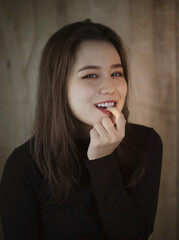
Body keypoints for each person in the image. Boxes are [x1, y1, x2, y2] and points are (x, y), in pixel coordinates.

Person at [0, 19, 163, 240]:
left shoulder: (146, 142)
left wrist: (102, 161)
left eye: (116, 73)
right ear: (59, 87)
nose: (110, 87)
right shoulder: (24, 165)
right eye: (90, 75)